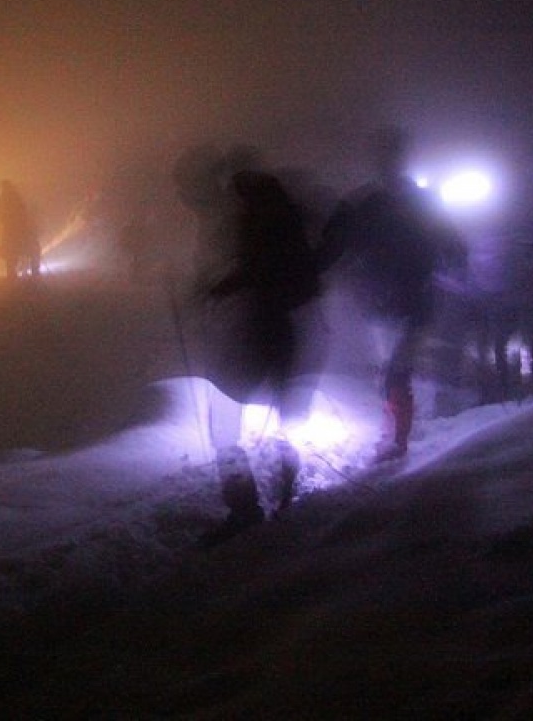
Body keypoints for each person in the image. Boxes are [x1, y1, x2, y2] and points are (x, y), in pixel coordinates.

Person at [176, 148, 322, 544]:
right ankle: (286, 497)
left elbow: (249, 271)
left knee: (224, 428)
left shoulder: (245, 215)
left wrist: (213, 288)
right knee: (284, 419)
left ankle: (244, 509)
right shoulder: (281, 210)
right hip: (284, 330)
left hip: (248, 333)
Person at [319, 127, 465, 462]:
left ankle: (396, 440)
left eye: (390, 154)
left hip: (405, 300)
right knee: (390, 369)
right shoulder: (375, 203)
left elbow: (451, 241)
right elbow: (452, 242)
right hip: (389, 301)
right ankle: (394, 433)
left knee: (395, 370)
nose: (387, 161)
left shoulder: (375, 203)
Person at [0, 180, 41, 279]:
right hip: (19, 230)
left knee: (11, 254)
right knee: (33, 250)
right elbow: (23, 213)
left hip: (11, 230)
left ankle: (12, 275)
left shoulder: (1, 200)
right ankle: (34, 273)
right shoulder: (15, 197)